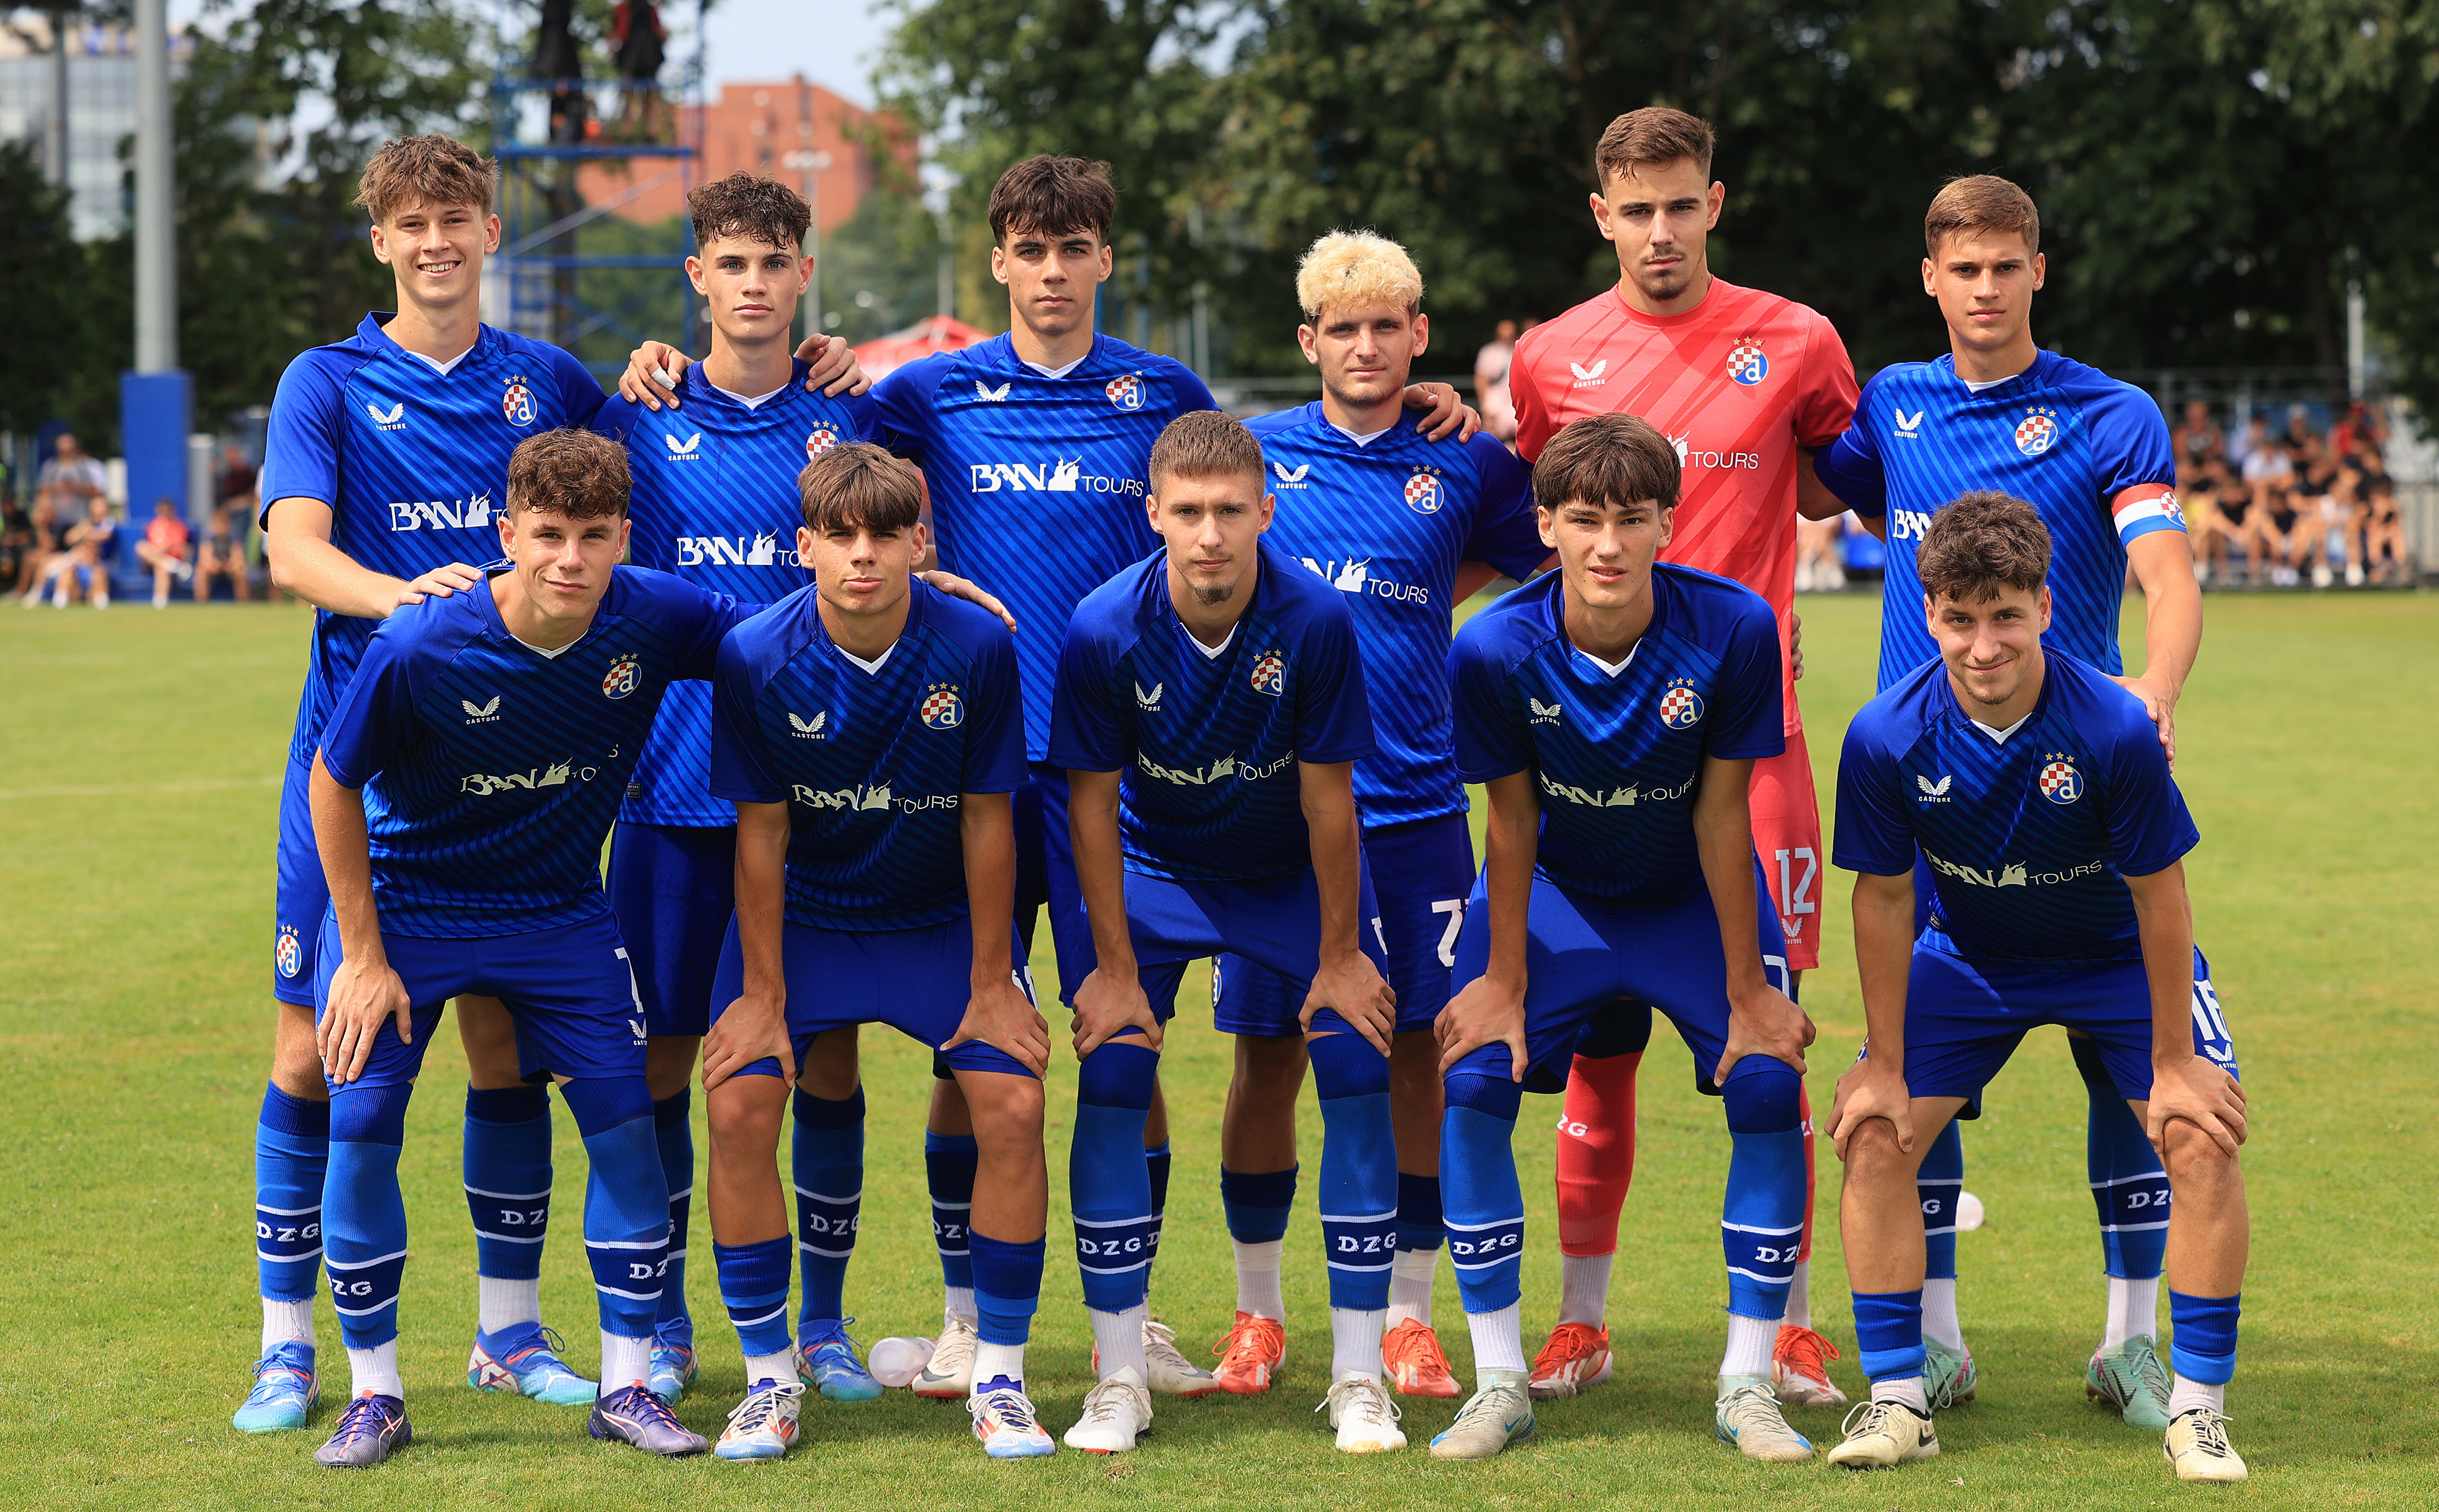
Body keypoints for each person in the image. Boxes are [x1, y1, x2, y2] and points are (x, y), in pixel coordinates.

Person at [615, 154, 1474, 1400]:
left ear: (1103, 260)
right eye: (1031, 249)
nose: (1054, 271)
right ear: (999, 262)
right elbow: (847, 486)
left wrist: (1428, 401)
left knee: (1123, 1035)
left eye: (1075, 249)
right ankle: (965, 1318)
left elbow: (1245, 475)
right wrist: (689, 363)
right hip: (949, 761)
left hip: (1111, 782)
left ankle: (1138, 1320)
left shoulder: (1163, 391)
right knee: (971, 1040)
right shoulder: (922, 395)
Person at [240, 131, 870, 1436]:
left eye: (457, 219)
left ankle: (510, 1332)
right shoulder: (328, 379)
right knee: (313, 1048)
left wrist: (673, 364)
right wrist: (412, 603)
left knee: (506, 1048)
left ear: (488, 233)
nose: (436, 243)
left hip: (525, 778)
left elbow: (629, 466)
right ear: (383, 241)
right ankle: (286, 1347)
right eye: (412, 224)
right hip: (367, 757)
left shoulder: (558, 383)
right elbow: (292, 549)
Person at [591, 169, 999, 1404]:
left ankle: (820, 1324)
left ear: (805, 275)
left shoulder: (852, 412)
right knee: (667, 1062)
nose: (755, 284)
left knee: (823, 1060)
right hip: (672, 790)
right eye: (732, 263)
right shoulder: (640, 414)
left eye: (775, 262)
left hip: (822, 800)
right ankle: (663, 1321)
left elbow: (915, 544)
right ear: (697, 278)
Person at [1812, 174, 2203, 1427]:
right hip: (1928, 794)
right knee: (1917, 1075)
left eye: (2004, 266)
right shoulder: (1892, 403)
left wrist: (2154, 688)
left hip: (2077, 787)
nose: (1984, 289)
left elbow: (2165, 572)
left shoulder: (2111, 413)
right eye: (1962, 269)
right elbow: (1801, 480)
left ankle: (2130, 1345)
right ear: (1929, 278)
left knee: (2127, 1065)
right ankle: (1932, 1343)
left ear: (2038, 269)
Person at [305, 427, 758, 1467]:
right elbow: (334, 782)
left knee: (626, 1124)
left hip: (558, 913)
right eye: (548, 535)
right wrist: (363, 957)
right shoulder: (422, 645)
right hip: (411, 908)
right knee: (362, 1122)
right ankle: (375, 1397)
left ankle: (627, 1385)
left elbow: (785, 636)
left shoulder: (658, 616)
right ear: (507, 536)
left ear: (624, 539)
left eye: (593, 537)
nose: (570, 559)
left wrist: (917, 594)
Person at [1504, 104, 1859, 1407]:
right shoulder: (1550, 357)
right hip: (1594, 754)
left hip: (1753, 754)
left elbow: (1844, 481)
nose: (1660, 231)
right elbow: (1524, 506)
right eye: (1635, 209)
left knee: (1768, 1038)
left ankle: (1791, 1328)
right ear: (1602, 216)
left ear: (1715, 203)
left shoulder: (1800, 341)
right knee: (1598, 1048)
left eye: (1680, 204)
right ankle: (1580, 1323)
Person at [1824, 492, 2249, 1483]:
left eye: (2007, 616)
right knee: (1873, 1133)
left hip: (2115, 960)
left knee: (2202, 1136)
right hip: (1971, 960)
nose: (1984, 646)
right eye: (1961, 619)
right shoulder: (1884, 735)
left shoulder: (2116, 727)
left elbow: (2160, 895)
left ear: (2046, 608)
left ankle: (2199, 1413)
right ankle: (1898, 1400)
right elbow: (1882, 900)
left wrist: (2176, 1061)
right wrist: (1882, 1061)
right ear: (1929, 614)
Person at [1205, 232, 1550, 1402]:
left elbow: (1536, 565)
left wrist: (1421, 596)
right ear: (1309, 341)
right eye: (1342, 329)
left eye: (1385, 327)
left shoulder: (1468, 461)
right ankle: (1258, 1312)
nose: (1365, 346)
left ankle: (1408, 1314)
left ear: (1419, 336)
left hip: (1417, 806)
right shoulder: (1257, 454)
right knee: (1268, 1059)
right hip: (1275, 820)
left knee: (1418, 1055)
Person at [1432, 412, 1814, 1462]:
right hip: (1560, 897)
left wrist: (1750, 988)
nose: (1609, 544)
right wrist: (1502, 978)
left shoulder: (1733, 628)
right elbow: (1511, 823)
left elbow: (1724, 815)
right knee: (1474, 1076)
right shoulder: (1493, 644)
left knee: (1767, 1084)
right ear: (1545, 524)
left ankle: (1748, 1384)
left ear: (1667, 524)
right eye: (1585, 520)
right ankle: (1499, 1381)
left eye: (1632, 519)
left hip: (1688, 896)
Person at [1047, 410, 1401, 1455]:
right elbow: (1089, 809)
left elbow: (1332, 799)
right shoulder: (1104, 626)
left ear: (1266, 514)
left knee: (1356, 1059)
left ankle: (1359, 1376)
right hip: (1155, 872)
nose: (1210, 534)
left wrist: (1341, 957)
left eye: (1231, 512)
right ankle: (1120, 1377)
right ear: (1154, 514)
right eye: (1190, 511)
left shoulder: (1315, 619)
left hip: (1282, 873)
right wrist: (1114, 969)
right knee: (1115, 1066)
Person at [700, 443, 1049, 1460]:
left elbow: (990, 819)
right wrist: (762, 994)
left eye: (885, 535)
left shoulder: (975, 645)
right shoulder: (754, 654)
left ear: (919, 542)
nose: (863, 555)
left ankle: (1000, 1378)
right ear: (803, 546)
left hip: (938, 923)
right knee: (738, 1104)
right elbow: (760, 834)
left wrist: (994, 980)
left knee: (1015, 1103)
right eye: (841, 535)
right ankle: (768, 1382)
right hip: (809, 923)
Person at [610, 0, 666, 142]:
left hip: (636, 58)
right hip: (644, 58)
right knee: (639, 97)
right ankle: (646, 135)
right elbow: (659, 33)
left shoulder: (624, 9)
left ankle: (638, 136)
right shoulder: (633, 9)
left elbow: (619, 33)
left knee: (637, 97)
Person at [138, 498, 195, 608]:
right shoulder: (152, 526)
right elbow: (150, 546)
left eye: (168, 510)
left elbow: (180, 547)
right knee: (141, 547)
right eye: (162, 510)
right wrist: (160, 551)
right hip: (153, 560)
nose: (165, 513)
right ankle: (170, 565)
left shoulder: (179, 526)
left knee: (161, 568)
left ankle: (160, 601)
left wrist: (165, 549)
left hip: (172, 559)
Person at [1474, 319, 1518, 443]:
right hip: (1495, 397)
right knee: (1492, 433)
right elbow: (1481, 378)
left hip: (1514, 398)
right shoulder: (1488, 352)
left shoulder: (1519, 350)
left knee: (1519, 433)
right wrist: (1484, 402)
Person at [197, 505, 252, 602]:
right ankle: (202, 602)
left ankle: (244, 603)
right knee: (201, 571)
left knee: (241, 571)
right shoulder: (208, 537)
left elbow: (238, 557)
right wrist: (214, 565)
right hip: (214, 567)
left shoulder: (234, 536)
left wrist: (229, 565)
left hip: (230, 567)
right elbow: (205, 557)